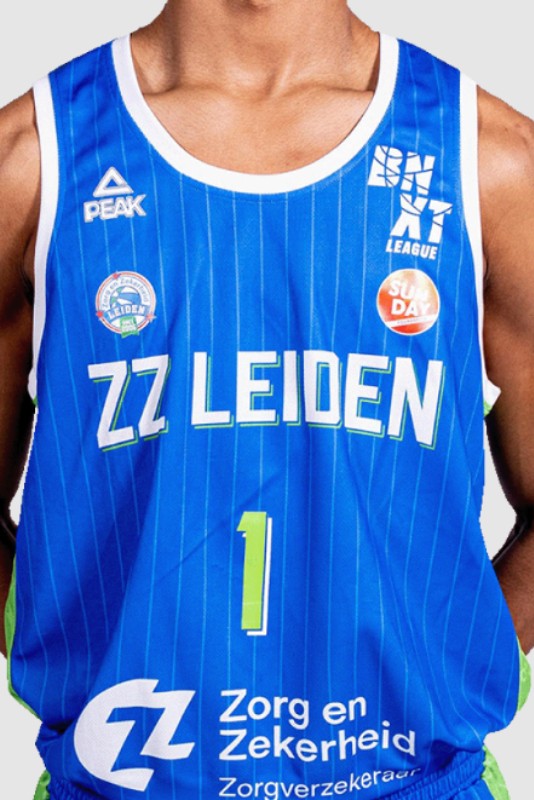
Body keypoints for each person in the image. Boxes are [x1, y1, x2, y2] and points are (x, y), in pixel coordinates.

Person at [1, 1, 534, 798]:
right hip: (122, 780)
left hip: (414, 779)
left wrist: (461, 648)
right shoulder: (33, 162)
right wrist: (66, 640)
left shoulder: (489, 161)